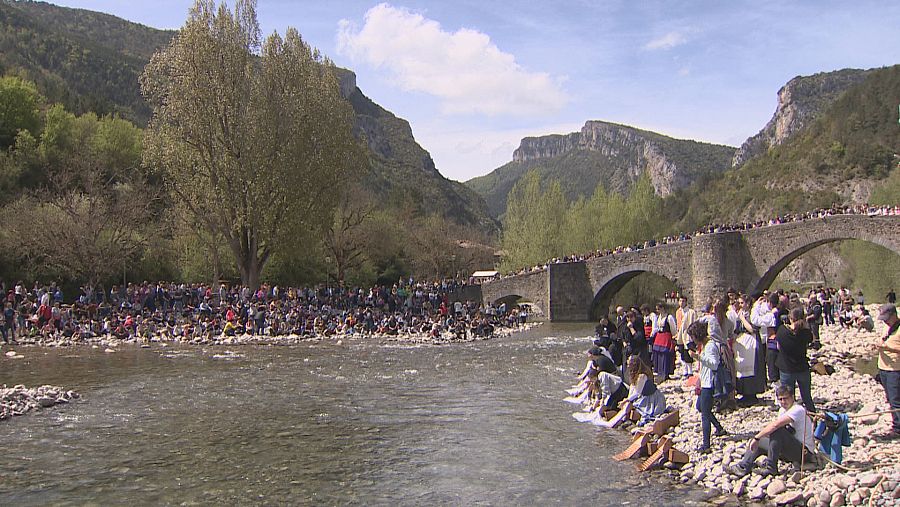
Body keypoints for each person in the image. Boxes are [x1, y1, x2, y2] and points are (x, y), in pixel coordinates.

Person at [729, 385, 818, 477]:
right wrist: (757, 438)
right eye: (780, 399)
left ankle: (771, 468)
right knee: (760, 440)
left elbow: (776, 426)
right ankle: (743, 466)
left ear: (792, 397)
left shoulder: (797, 409)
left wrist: (757, 437)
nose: (783, 402)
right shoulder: (782, 410)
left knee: (776, 431)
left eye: (786, 398)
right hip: (790, 448)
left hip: (804, 452)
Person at [688, 320, 727, 454]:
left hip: (709, 385)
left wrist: (698, 357)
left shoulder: (710, 346)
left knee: (704, 414)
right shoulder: (706, 345)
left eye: (693, 337)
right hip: (704, 382)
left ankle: (706, 445)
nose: (692, 340)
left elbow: (714, 364)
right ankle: (719, 428)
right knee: (700, 407)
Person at [775, 307, 816, 413]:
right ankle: (813, 417)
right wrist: (805, 325)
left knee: (788, 398)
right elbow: (811, 338)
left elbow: (778, 346)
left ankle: (790, 417)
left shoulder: (782, 331)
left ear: (790, 318)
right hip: (802, 367)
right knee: (807, 397)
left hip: (787, 368)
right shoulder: (805, 333)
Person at [875, 303, 900, 438]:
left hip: (895, 369)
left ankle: (898, 428)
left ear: (894, 315)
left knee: (896, 400)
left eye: (887, 318)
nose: (885, 321)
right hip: (883, 368)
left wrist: (888, 348)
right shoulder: (887, 326)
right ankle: (896, 424)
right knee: (890, 398)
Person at [650, 302, 677, 381]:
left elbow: (673, 329)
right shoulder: (658, 317)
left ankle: (666, 373)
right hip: (659, 337)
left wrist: (674, 337)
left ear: (663, 308)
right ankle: (659, 372)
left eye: (659, 309)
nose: (657, 310)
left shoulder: (669, 317)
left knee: (665, 355)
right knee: (658, 354)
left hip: (666, 337)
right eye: (657, 309)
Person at [675, 295, 697, 379]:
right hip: (680, 334)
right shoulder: (678, 312)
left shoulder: (691, 312)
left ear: (686, 302)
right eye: (680, 301)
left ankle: (690, 371)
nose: (681, 303)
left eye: (683, 301)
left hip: (687, 334)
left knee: (688, 351)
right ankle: (685, 370)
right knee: (681, 352)